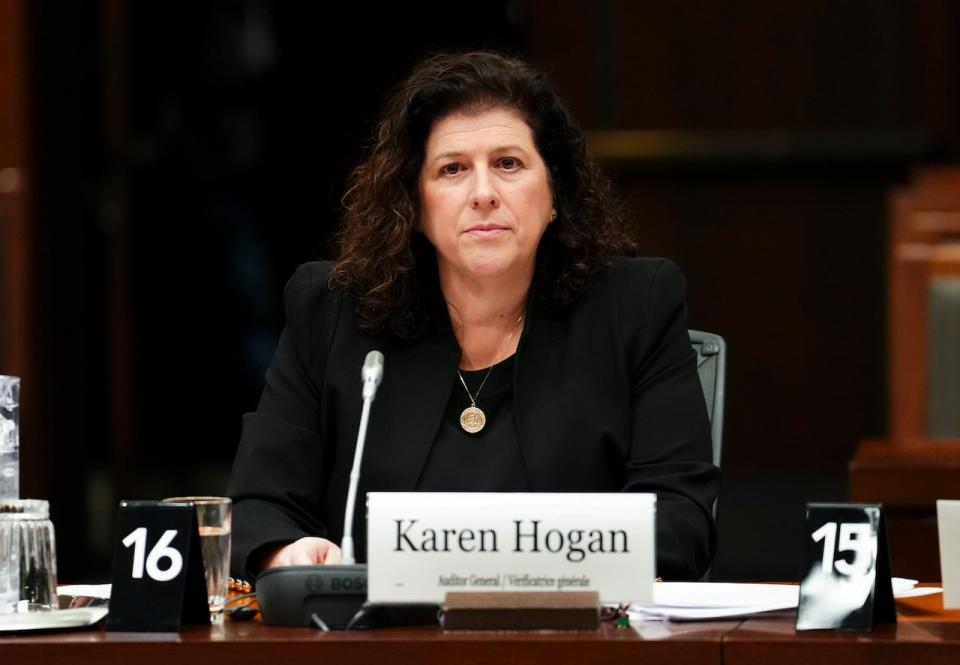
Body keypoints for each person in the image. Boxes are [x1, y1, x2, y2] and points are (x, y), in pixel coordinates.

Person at [227, 51, 720, 582]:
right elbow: (258, 508)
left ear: (554, 192)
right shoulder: (333, 312)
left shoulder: (635, 306)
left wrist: (501, 566)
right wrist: (287, 553)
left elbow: (680, 521)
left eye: (508, 164)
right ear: (414, 205)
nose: (483, 194)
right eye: (452, 169)